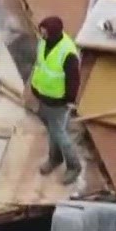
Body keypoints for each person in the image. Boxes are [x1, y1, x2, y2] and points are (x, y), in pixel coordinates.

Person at [30, 16, 83, 183]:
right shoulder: (43, 42)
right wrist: (35, 88)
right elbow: (40, 65)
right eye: (41, 31)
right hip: (43, 96)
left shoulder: (67, 52)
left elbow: (74, 80)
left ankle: (74, 166)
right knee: (53, 131)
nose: (41, 34)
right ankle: (55, 158)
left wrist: (69, 100)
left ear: (53, 33)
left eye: (44, 31)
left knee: (59, 134)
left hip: (58, 101)